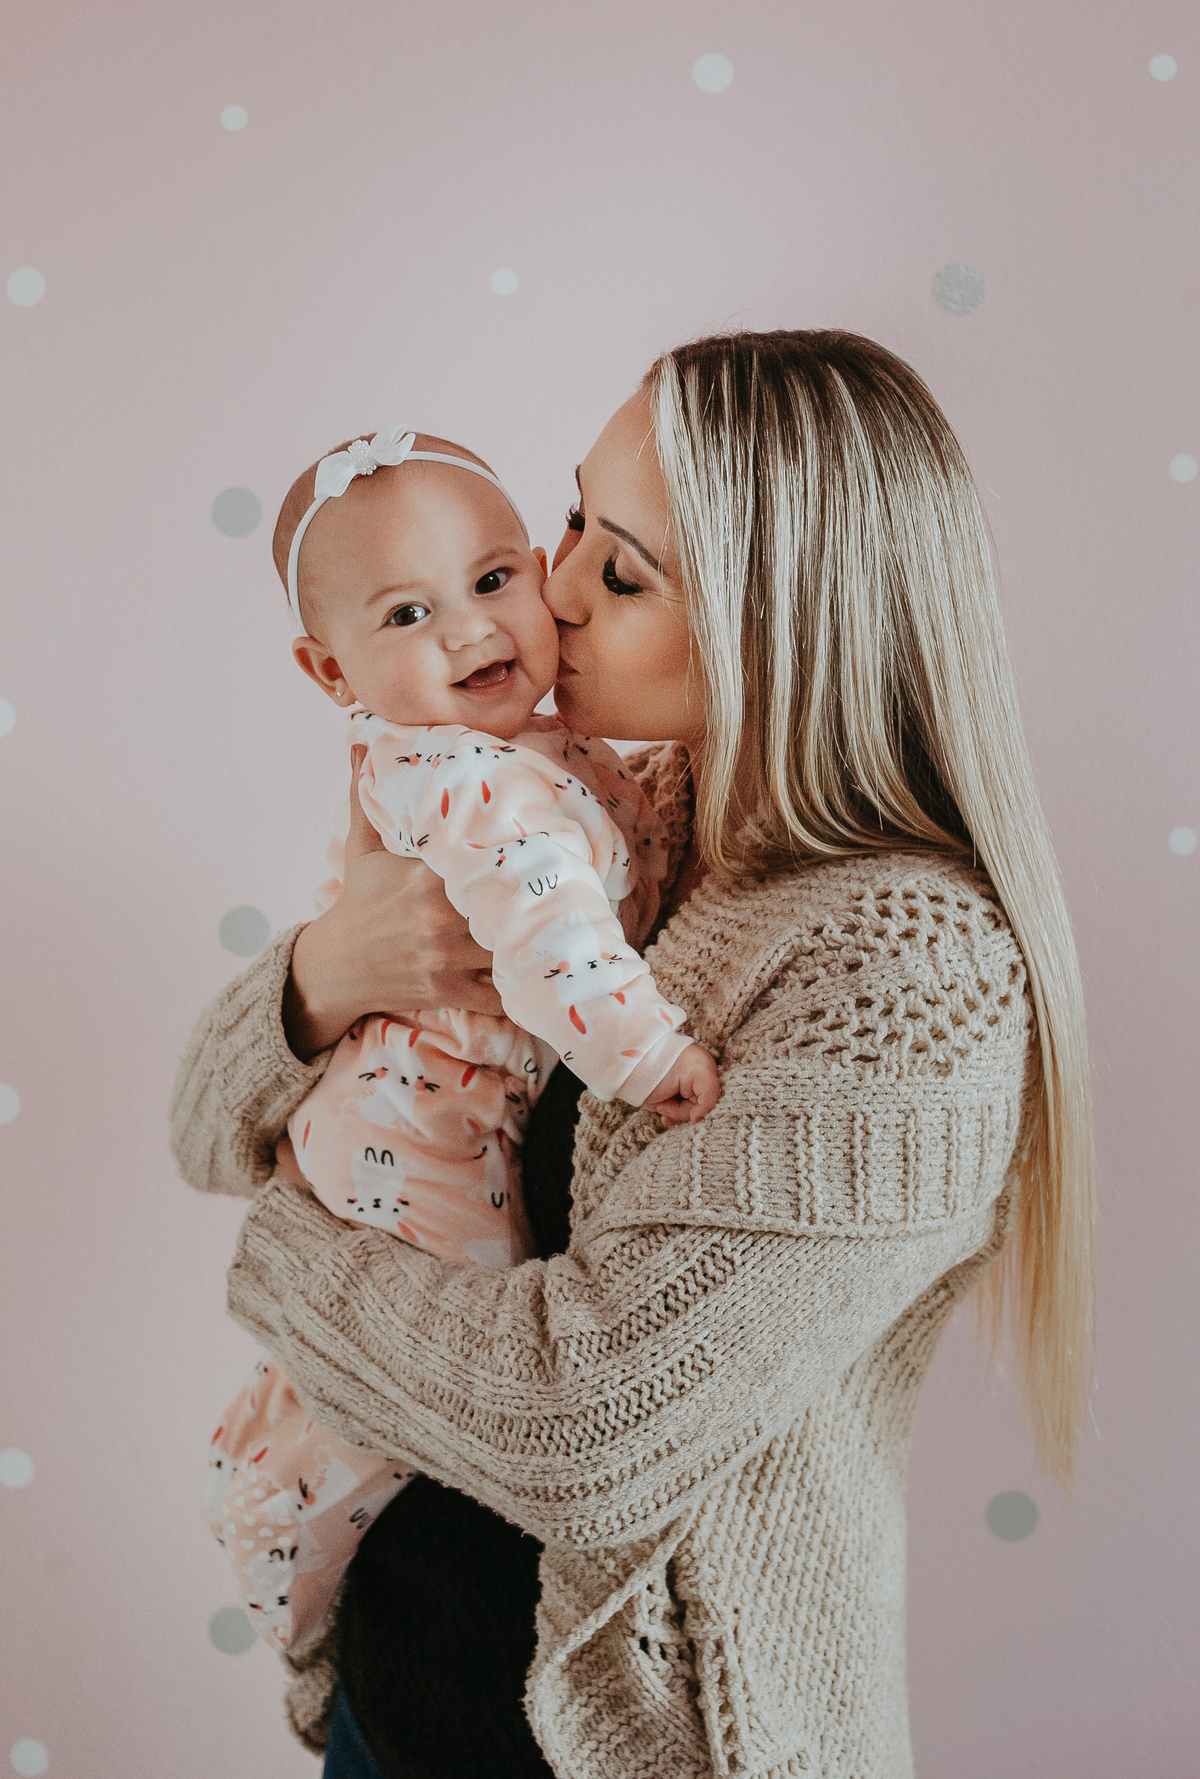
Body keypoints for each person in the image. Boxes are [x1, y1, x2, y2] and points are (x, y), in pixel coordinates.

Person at [171, 329, 1095, 1779]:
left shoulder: (909, 970)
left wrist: (286, 1269)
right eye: (572, 520)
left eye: (625, 569)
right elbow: (202, 1126)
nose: (547, 591)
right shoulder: (605, 816)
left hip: (642, 1749)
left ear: (773, 617)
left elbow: (589, 1419)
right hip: (397, 1698)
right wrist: (318, 975)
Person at [203, 423, 718, 1658]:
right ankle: (281, 1535)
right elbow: (554, 940)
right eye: (408, 614)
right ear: (332, 674)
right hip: (421, 1127)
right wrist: (654, 1060)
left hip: (410, 1109)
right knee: (417, 1380)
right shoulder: (474, 784)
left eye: (494, 580)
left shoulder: (535, 756)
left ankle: (271, 1448)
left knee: (396, 1363)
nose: (473, 631)